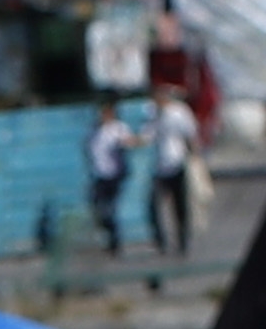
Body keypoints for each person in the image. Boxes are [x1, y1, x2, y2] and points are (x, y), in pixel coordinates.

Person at [144, 89, 202, 256]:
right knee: (153, 205)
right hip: (159, 166)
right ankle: (161, 241)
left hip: (177, 162)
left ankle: (183, 240)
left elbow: (190, 134)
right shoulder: (153, 113)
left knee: (180, 205)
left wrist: (195, 157)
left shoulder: (179, 112)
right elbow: (147, 134)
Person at [81, 100, 134, 255]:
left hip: (114, 175)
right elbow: (88, 149)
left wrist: (125, 144)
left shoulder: (118, 128)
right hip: (99, 174)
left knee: (110, 209)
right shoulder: (94, 130)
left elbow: (129, 142)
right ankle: (108, 237)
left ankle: (115, 243)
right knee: (96, 206)